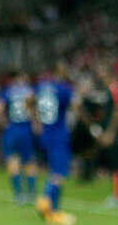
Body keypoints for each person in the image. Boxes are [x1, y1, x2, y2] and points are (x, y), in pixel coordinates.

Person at [80, 64, 118, 207]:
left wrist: (111, 132)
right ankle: (117, 193)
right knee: (112, 161)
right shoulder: (107, 89)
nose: (100, 75)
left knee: (116, 161)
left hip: (112, 131)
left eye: (102, 72)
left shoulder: (114, 88)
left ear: (108, 73)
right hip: (106, 130)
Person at [34, 64, 77, 225]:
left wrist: (36, 121)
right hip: (59, 135)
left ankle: (51, 210)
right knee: (59, 173)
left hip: (45, 134)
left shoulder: (41, 87)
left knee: (53, 171)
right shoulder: (65, 89)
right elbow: (76, 105)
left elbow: (30, 100)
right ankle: (48, 206)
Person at [0, 70, 38, 204]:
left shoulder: (7, 91)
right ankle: (31, 194)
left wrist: (1, 122)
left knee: (12, 160)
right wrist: (36, 122)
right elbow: (34, 109)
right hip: (26, 129)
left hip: (12, 129)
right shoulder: (29, 91)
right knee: (29, 161)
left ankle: (19, 195)